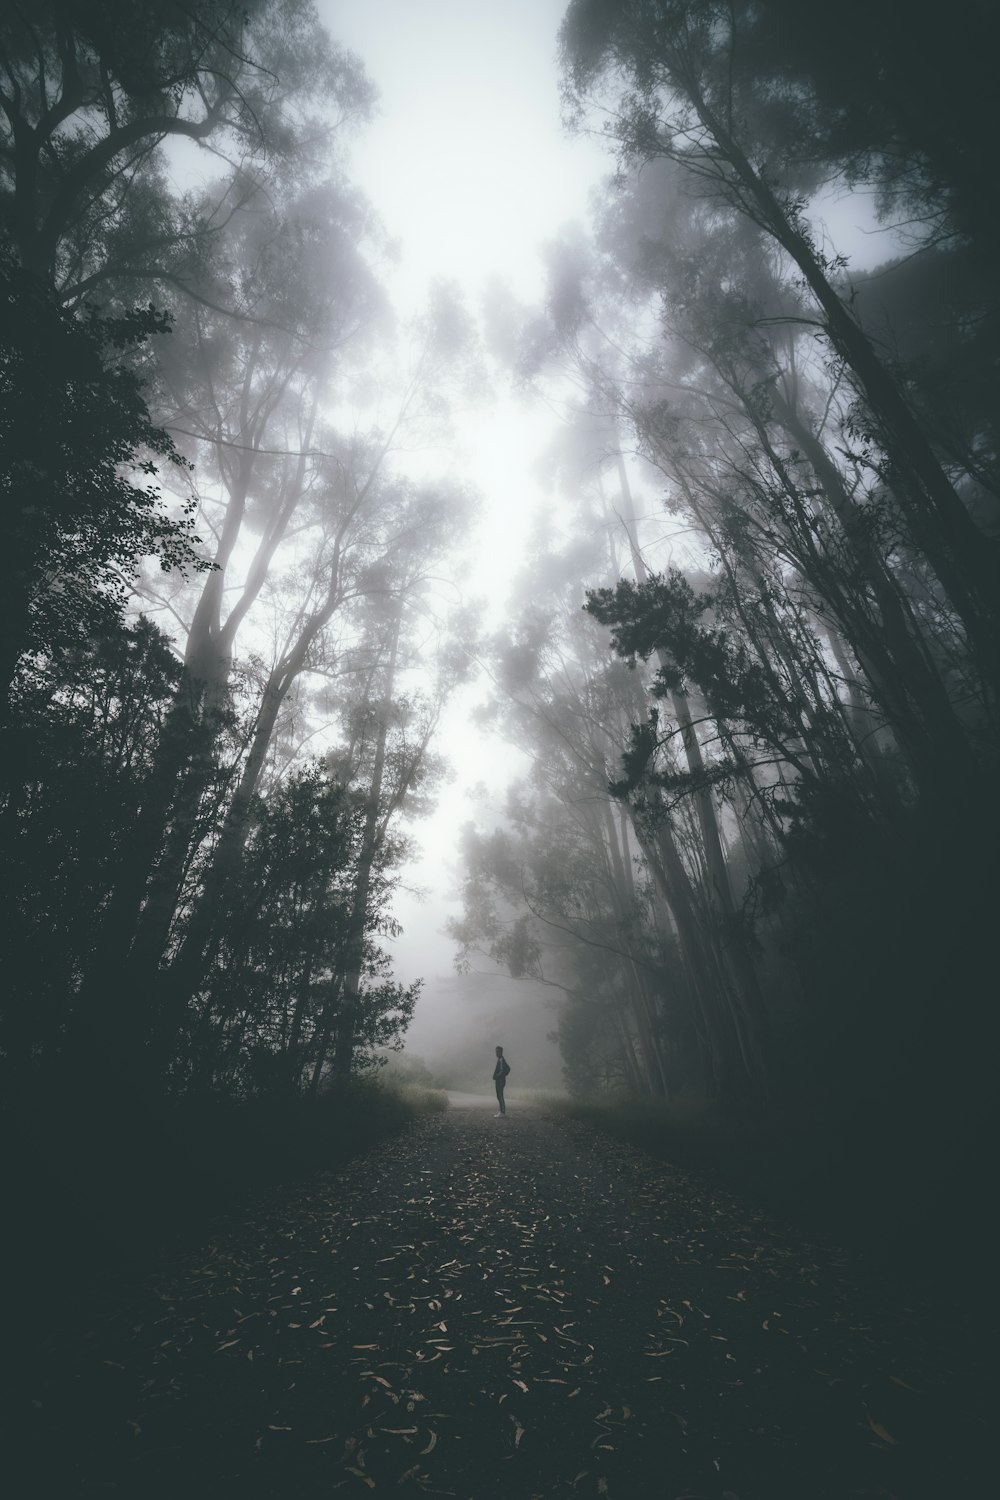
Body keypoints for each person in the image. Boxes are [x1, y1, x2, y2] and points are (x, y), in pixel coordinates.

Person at [492, 1045, 510, 1116]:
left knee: (500, 1095)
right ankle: (501, 1111)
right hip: (499, 1080)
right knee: (499, 1095)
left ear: (501, 1052)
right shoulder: (500, 1059)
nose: (497, 1053)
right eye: (496, 1052)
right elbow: (506, 1069)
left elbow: (502, 1070)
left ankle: (502, 1112)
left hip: (500, 1080)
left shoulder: (501, 1059)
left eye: (498, 1052)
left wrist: (497, 1076)